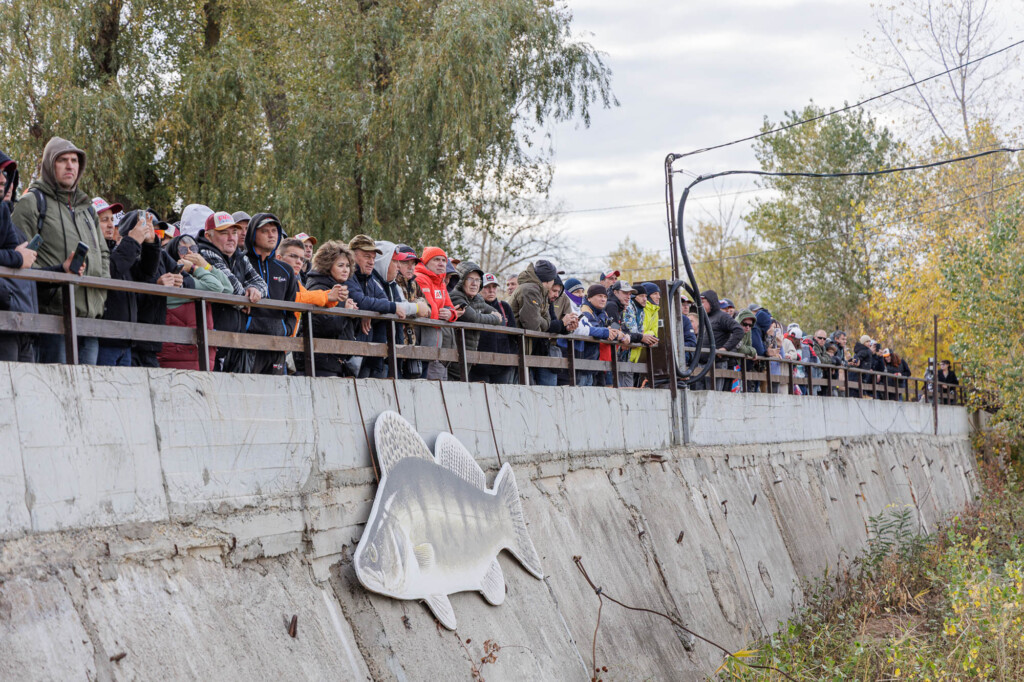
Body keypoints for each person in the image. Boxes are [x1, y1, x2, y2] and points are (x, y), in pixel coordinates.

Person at [12, 137, 109, 364]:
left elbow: (104, 254)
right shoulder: (32, 202)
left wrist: (101, 293)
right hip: (52, 319)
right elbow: (19, 257)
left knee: (88, 387)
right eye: (62, 160)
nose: (70, 166)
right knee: (54, 386)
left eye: (74, 160)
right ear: (49, 164)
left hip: (90, 320)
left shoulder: (88, 209)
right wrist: (55, 279)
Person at [196, 211, 267, 372]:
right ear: (208, 236)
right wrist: (246, 298)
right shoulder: (205, 253)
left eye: (234, 232)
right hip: (209, 340)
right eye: (224, 233)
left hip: (233, 341)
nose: (231, 238)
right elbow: (231, 288)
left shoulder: (239, 257)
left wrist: (254, 290)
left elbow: (262, 284)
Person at [158, 233, 234, 370]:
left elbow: (228, 289)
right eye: (183, 250)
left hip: (199, 353)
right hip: (178, 355)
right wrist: (195, 268)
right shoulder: (174, 279)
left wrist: (206, 266)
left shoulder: (199, 276)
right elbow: (216, 287)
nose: (189, 253)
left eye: (193, 249)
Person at [96, 210, 162, 367]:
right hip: (103, 339)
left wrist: (150, 243)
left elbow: (146, 273)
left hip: (125, 340)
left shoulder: (117, 251)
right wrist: (132, 241)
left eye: (112, 219)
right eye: (104, 220)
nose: (111, 225)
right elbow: (111, 271)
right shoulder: (95, 252)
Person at [0, 156, 43, 362]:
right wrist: (16, 258)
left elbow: (19, 259)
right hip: (5, 319)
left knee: (28, 382)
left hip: (20, 318)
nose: (3, 180)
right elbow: (16, 257)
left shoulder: (2, 212)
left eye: (5, 175)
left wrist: (61, 269)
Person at [243, 213, 297, 375]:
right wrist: (247, 325)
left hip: (277, 345)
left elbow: (292, 309)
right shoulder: (241, 262)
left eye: (274, 231)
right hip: (247, 344)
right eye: (265, 231)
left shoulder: (286, 270)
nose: (271, 235)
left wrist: (285, 329)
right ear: (253, 234)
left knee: (278, 390)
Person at [508, 260, 577, 386]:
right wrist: (554, 324)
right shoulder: (531, 289)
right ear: (549, 279)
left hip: (531, 350)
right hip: (518, 349)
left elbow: (548, 320)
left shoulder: (540, 292)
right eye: (554, 289)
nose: (556, 294)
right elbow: (533, 324)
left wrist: (565, 327)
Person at [301, 241, 360, 377]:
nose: (345, 270)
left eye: (347, 266)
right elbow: (323, 325)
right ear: (328, 266)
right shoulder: (318, 288)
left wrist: (353, 315)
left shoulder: (340, 288)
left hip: (334, 360)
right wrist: (344, 311)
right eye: (340, 265)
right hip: (318, 360)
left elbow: (348, 330)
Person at [276, 237, 342, 338]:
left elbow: (307, 296)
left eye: (302, 259)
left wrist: (332, 297)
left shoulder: (296, 283)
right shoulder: (274, 277)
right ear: (279, 258)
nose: (299, 262)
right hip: (268, 338)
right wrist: (327, 296)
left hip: (285, 339)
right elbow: (294, 298)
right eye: (293, 256)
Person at [448, 261, 503, 381]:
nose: (474, 284)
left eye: (477, 280)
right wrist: (494, 318)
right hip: (452, 357)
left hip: (467, 356)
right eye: (470, 279)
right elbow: (473, 318)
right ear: (461, 280)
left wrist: (495, 317)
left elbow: (496, 313)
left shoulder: (477, 298)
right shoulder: (455, 295)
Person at [415, 247, 459, 380]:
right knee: (419, 378)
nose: (441, 263)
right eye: (436, 260)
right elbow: (429, 309)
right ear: (426, 262)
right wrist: (442, 314)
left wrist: (450, 314)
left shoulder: (441, 282)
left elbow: (451, 308)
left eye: (444, 260)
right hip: (420, 340)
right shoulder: (420, 277)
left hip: (434, 342)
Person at [576, 284, 627, 386]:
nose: (603, 299)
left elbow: (614, 327)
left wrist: (617, 333)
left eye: (605, 297)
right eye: (599, 296)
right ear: (589, 298)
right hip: (584, 362)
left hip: (596, 362)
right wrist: (610, 332)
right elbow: (595, 328)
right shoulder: (585, 311)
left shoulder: (603, 312)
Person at [471, 273, 518, 384]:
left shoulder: (504, 307)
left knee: (502, 394)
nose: (491, 290)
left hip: (502, 366)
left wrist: (510, 358)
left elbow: (514, 335)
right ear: (480, 288)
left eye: (494, 287)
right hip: (479, 366)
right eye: (487, 287)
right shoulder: (474, 307)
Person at [393, 244, 428, 379]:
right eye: (405, 262)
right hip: (393, 341)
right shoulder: (391, 281)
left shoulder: (414, 283)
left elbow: (428, 309)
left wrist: (416, 307)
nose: (411, 267)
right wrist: (417, 307)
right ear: (396, 262)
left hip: (410, 344)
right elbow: (398, 307)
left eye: (413, 263)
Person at [698, 290, 743, 390]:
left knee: (713, 395)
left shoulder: (722, 316)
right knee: (699, 396)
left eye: (703, 302)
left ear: (711, 302)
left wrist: (725, 348)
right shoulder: (704, 318)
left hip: (716, 363)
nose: (701, 305)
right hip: (700, 364)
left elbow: (739, 330)